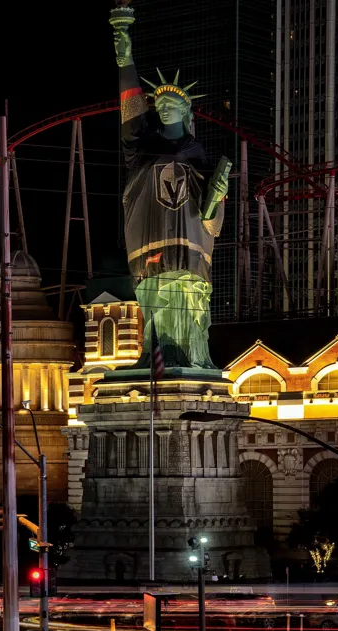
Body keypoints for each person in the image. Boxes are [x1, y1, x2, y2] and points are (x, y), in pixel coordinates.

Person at [111, 3, 230, 371]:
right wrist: (125, 62)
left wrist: (218, 192)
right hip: (150, 235)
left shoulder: (198, 154)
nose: (163, 109)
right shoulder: (141, 144)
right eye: (159, 104)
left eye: (171, 105)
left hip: (189, 244)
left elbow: (210, 212)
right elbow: (130, 110)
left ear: (185, 111)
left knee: (187, 295)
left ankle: (190, 356)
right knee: (153, 293)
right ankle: (153, 353)